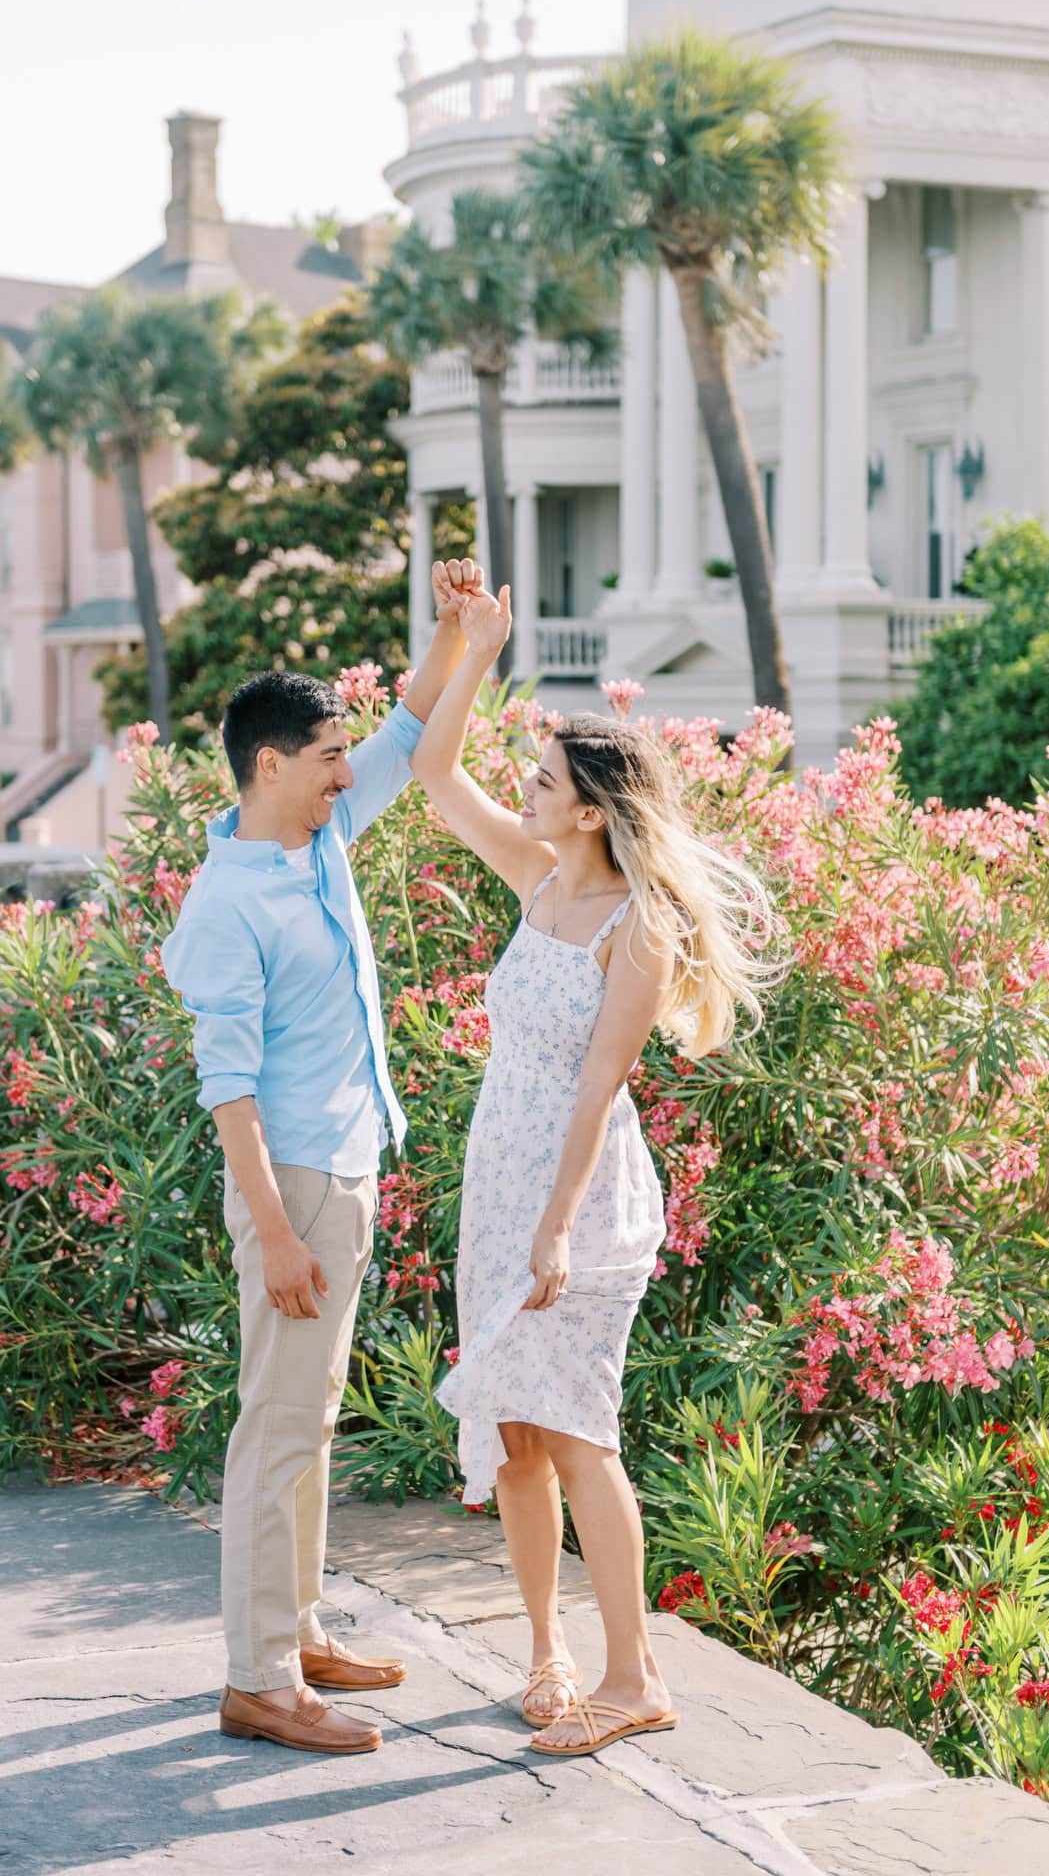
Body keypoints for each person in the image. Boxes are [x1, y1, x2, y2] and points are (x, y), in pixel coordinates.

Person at [413, 566, 781, 1759]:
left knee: (577, 1430)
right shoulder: (536, 885)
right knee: (518, 1434)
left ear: (587, 810)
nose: (522, 791)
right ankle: (546, 1652)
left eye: (542, 781)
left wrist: (558, 1226)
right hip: (499, 1185)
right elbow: (432, 774)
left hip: (581, 1203)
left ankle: (634, 1675)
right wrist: (473, 647)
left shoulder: (639, 926)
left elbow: (598, 1084)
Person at [161, 564, 483, 1757]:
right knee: (276, 1427)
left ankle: (295, 1633)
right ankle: (258, 1678)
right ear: (269, 766)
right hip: (290, 1183)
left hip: (343, 1166)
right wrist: (282, 1230)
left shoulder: (318, 838)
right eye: (327, 755)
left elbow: (407, 731)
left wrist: (454, 634)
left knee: (312, 1416)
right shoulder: (228, 904)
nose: (349, 770)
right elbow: (227, 1092)